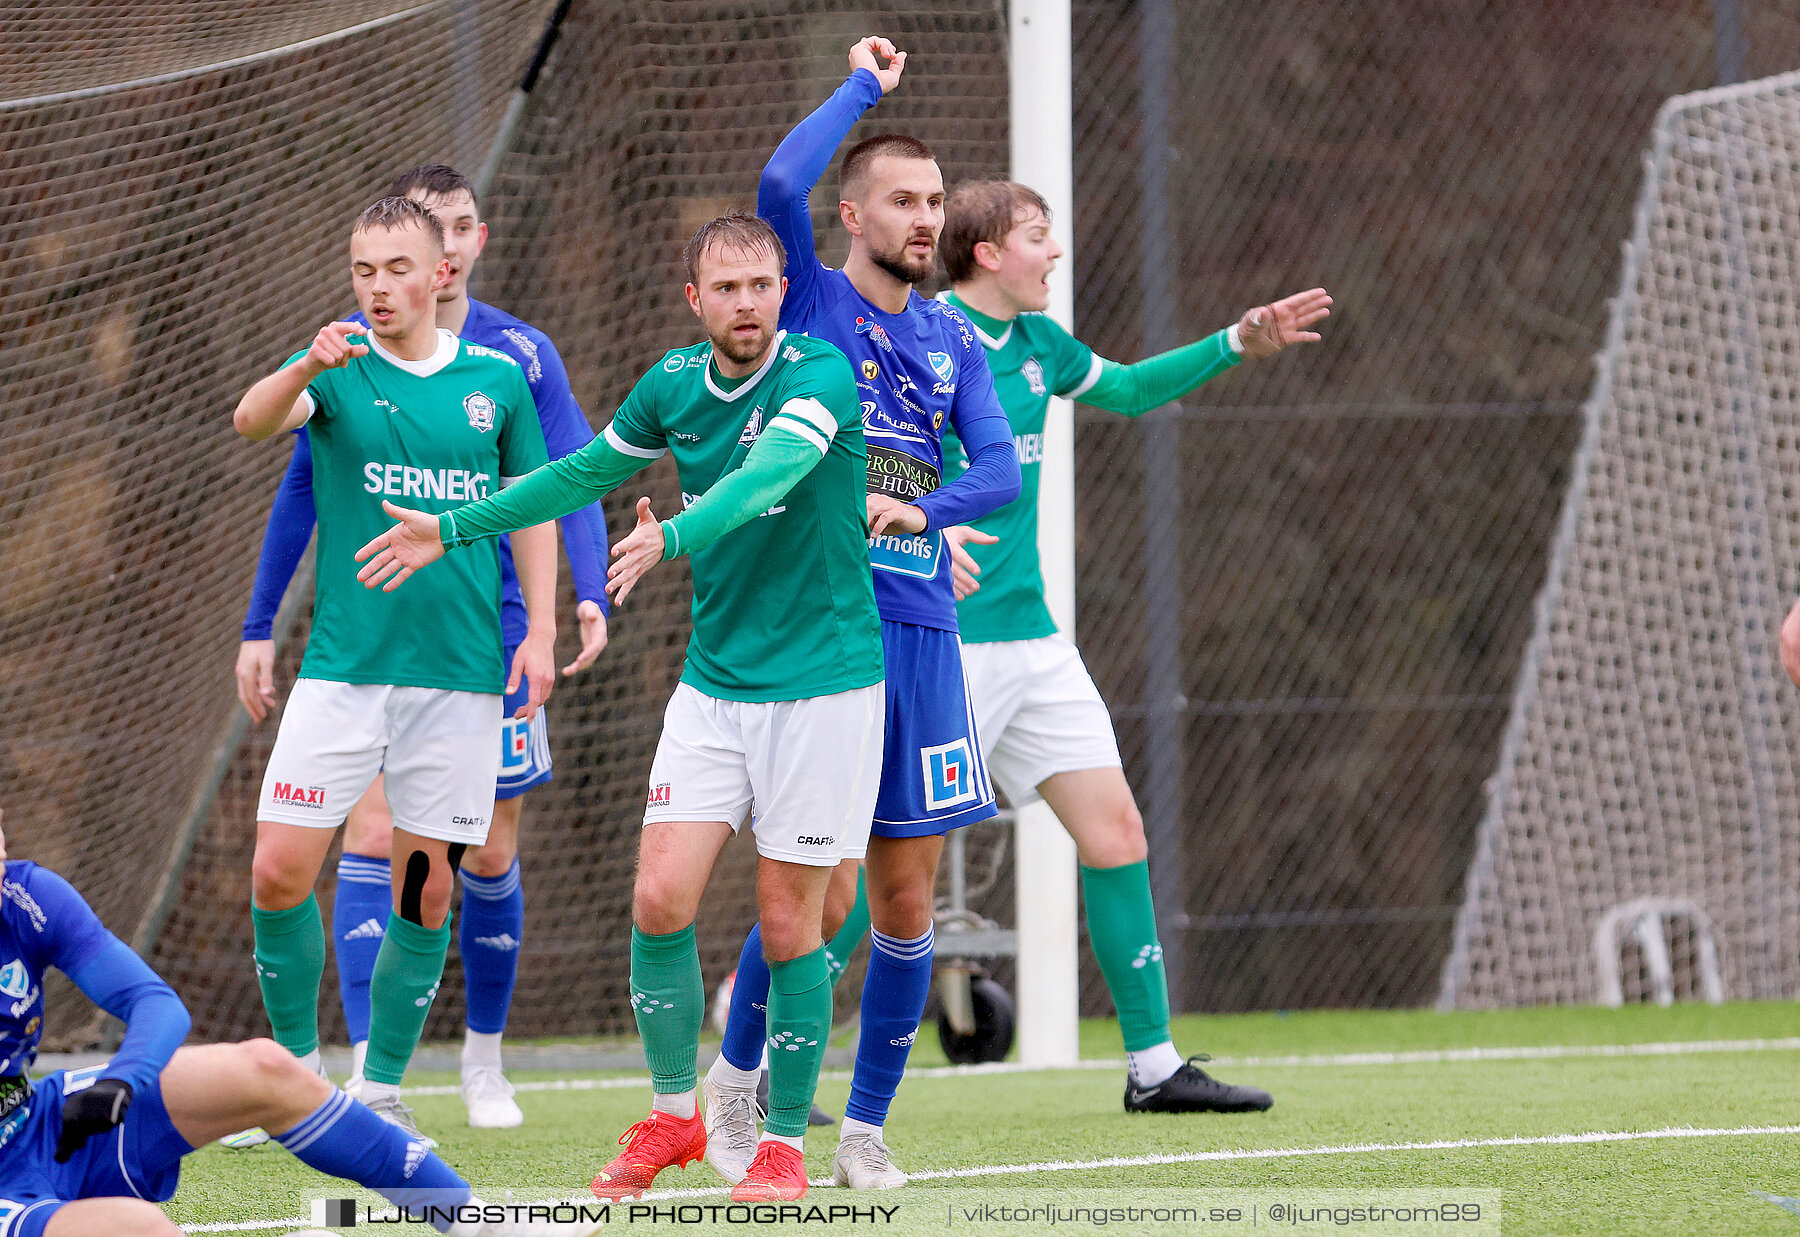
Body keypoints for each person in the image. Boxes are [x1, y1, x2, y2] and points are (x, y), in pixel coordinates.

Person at [355, 213, 884, 1204]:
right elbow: (581, 473)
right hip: (717, 687)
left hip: (825, 686)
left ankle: (779, 1148)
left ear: (783, 290)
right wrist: (456, 525)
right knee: (658, 900)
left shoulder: (818, 376)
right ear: (695, 300)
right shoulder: (673, 386)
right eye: (725, 288)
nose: (746, 303)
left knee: (788, 922)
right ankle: (677, 1116)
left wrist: (673, 535)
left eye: (763, 285)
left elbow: (769, 475)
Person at [934, 179, 1328, 1112]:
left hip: (1032, 645)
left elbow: (1136, 389)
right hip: (935, 643)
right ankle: (759, 1072)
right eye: (1039, 236)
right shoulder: (921, 334)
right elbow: (856, 449)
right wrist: (915, 530)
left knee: (1116, 835)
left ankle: (1153, 1067)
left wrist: (1240, 339)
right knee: (867, 864)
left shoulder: (1039, 346)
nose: (1055, 252)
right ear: (989, 252)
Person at [705, 36, 1022, 1193]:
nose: (926, 217)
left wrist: (921, 511)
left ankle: (865, 1131)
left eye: (937, 200)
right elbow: (776, 188)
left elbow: (999, 471)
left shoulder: (955, 341)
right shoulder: (814, 300)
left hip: (924, 633)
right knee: (812, 890)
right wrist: (862, 90)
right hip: (828, 634)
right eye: (904, 199)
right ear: (855, 213)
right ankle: (735, 1090)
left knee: (902, 899)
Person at [233, 164, 611, 1132]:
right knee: (279, 867)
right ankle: (292, 1067)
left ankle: (383, 1083)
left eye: (397, 266)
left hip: (459, 677)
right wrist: (303, 368)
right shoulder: (338, 367)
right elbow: (253, 421)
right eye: (363, 268)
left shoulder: (497, 380)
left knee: (427, 879)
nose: (377, 285)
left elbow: (534, 508)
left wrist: (533, 630)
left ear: (443, 268)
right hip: (345, 672)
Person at [0, 805, 598, 1237]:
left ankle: (476, 1228)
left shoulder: (25, 895)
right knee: (133, 1228)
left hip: (33, 1123)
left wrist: (124, 1079)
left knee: (265, 1066)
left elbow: (154, 1003)